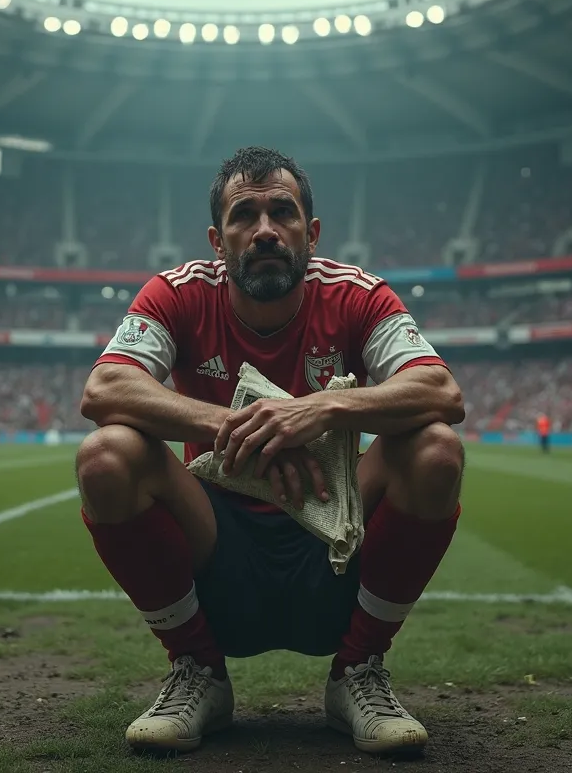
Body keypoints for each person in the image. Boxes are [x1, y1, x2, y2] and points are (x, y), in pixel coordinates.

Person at [77, 146, 465, 757]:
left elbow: (439, 388)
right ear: (217, 239)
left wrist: (320, 409)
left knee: (436, 449)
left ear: (310, 233)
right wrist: (248, 426)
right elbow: (104, 387)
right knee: (105, 456)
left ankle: (357, 671)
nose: (264, 230)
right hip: (216, 537)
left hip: (334, 532)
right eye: (243, 216)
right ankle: (197, 670)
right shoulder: (175, 293)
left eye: (282, 212)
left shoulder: (357, 295)